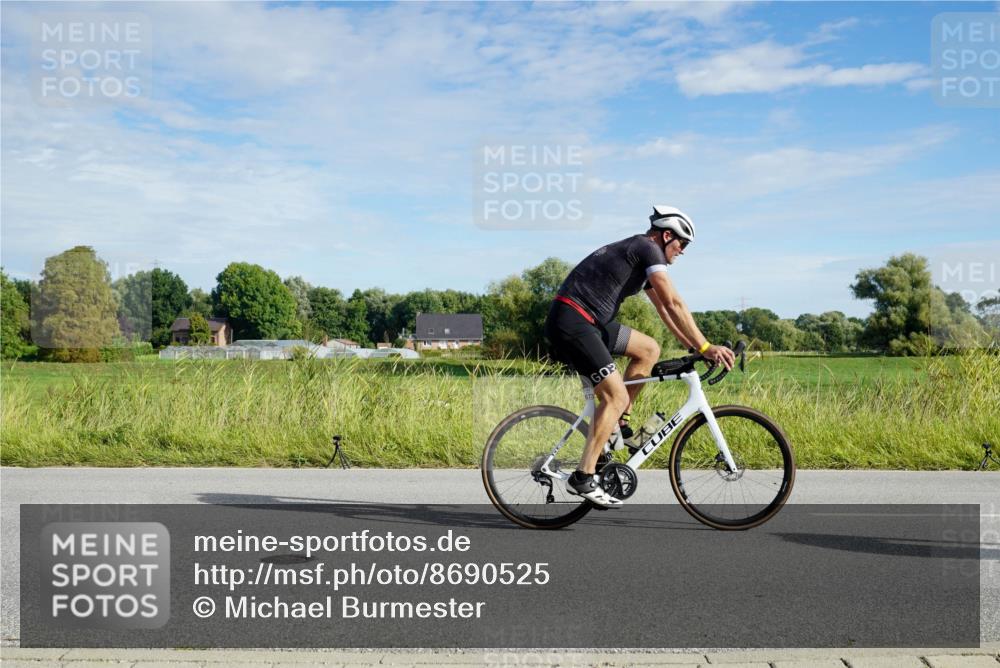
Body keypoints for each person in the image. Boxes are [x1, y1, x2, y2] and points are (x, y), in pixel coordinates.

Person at [543, 205, 735, 506]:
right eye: (682, 244)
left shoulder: (641, 254)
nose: (682, 251)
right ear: (666, 235)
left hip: (590, 322)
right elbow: (674, 302)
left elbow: (663, 309)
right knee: (614, 395)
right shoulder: (647, 248)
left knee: (648, 349)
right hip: (572, 322)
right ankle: (583, 477)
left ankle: (618, 425)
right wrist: (706, 347)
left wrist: (693, 346)